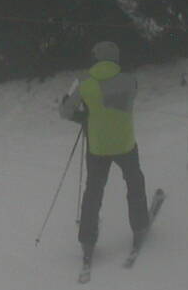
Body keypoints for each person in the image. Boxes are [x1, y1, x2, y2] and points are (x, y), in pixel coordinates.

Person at [58, 40, 150, 254]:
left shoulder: (83, 82)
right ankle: (139, 226)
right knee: (134, 182)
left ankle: (87, 240)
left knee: (93, 191)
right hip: (125, 143)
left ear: (96, 58)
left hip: (98, 146)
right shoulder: (130, 80)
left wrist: (84, 116)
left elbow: (65, 112)